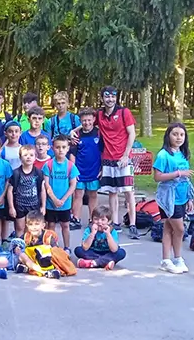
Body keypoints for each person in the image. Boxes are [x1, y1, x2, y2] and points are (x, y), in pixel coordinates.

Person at [90, 85, 138, 238]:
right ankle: (115, 223)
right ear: (102, 98)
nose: (110, 99)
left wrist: (126, 155)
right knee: (112, 192)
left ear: (116, 97)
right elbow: (88, 123)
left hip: (123, 158)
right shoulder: (99, 114)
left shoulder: (124, 112)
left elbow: (132, 134)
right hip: (107, 158)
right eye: (106, 96)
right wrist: (74, 131)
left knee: (129, 192)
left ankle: (132, 224)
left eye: (112, 96)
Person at [153, 123, 194, 274]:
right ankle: (173, 258)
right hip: (168, 198)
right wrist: (178, 173)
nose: (178, 138)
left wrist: (190, 198)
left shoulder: (183, 154)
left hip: (182, 196)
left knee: (169, 228)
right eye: (175, 134)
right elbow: (157, 177)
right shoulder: (163, 155)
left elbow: (187, 179)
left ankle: (171, 259)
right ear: (168, 136)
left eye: (181, 135)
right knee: (180, 229)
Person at [43, 135, 80, 250]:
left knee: (65, 225)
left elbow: (73, 185)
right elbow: (46, 184)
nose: (61, 150)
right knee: (51, 226)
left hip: (65, 203)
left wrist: (63, 199)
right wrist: (53, 199)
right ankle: (52, 247)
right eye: (58, 147)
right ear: (53, 148)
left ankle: (67, 247)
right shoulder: (48, 165)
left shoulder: (70, 166)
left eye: (63, 147)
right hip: (51, 203)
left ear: (68, 148)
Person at [69, 107, 101, 230]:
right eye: (84, 120)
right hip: (80, 171)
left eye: (89, 120)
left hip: (94, 170)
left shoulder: (99, 133)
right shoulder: (76, 135)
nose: (86, 123)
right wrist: (74, 170)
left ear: (93, 119)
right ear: (80, 121)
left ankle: (93, 220)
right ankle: (76, 218)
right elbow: (72, 153)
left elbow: (103, 152)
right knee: (78, 194)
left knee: (93, 195)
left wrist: (102, 168)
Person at [7, 145, 45, 238]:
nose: (28, 157)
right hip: (20, 205)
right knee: (20, 228)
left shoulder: (38, 173)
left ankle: (30, 247)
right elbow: (10, 191)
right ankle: (19, 247)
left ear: (35, 157)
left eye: (31, 155)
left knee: (31, 228)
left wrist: (43, 206)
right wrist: (11, 207)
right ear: (20, 158)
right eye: (25, 155)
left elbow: (42, 190)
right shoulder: (16, 173)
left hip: (34, 205)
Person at [75, 205, 126, 270]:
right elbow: (85, 247)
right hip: (93, 252)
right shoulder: (89, 230)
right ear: (92, 220)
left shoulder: (112, 231)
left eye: (103, 220)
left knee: (121, 252)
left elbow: (114, 249)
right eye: (96, 219)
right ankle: (105, 262)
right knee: (78, 250)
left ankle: (94, 262)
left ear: (109, 221)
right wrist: (92, 234)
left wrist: (108, 234)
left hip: (107, 252)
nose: (99, 222)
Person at [12, 210, 60, 278]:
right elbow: (17, 242)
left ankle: (30, 269)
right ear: (27, 226)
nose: (34, 227)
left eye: (37, 224)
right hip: (31, 260)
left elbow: (56, 250)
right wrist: (17, 247)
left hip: (46, 261)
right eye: (31, 224)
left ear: (43, 225)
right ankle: (39, 271)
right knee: (22, 254)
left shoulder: (48, 236)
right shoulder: (26, 236)